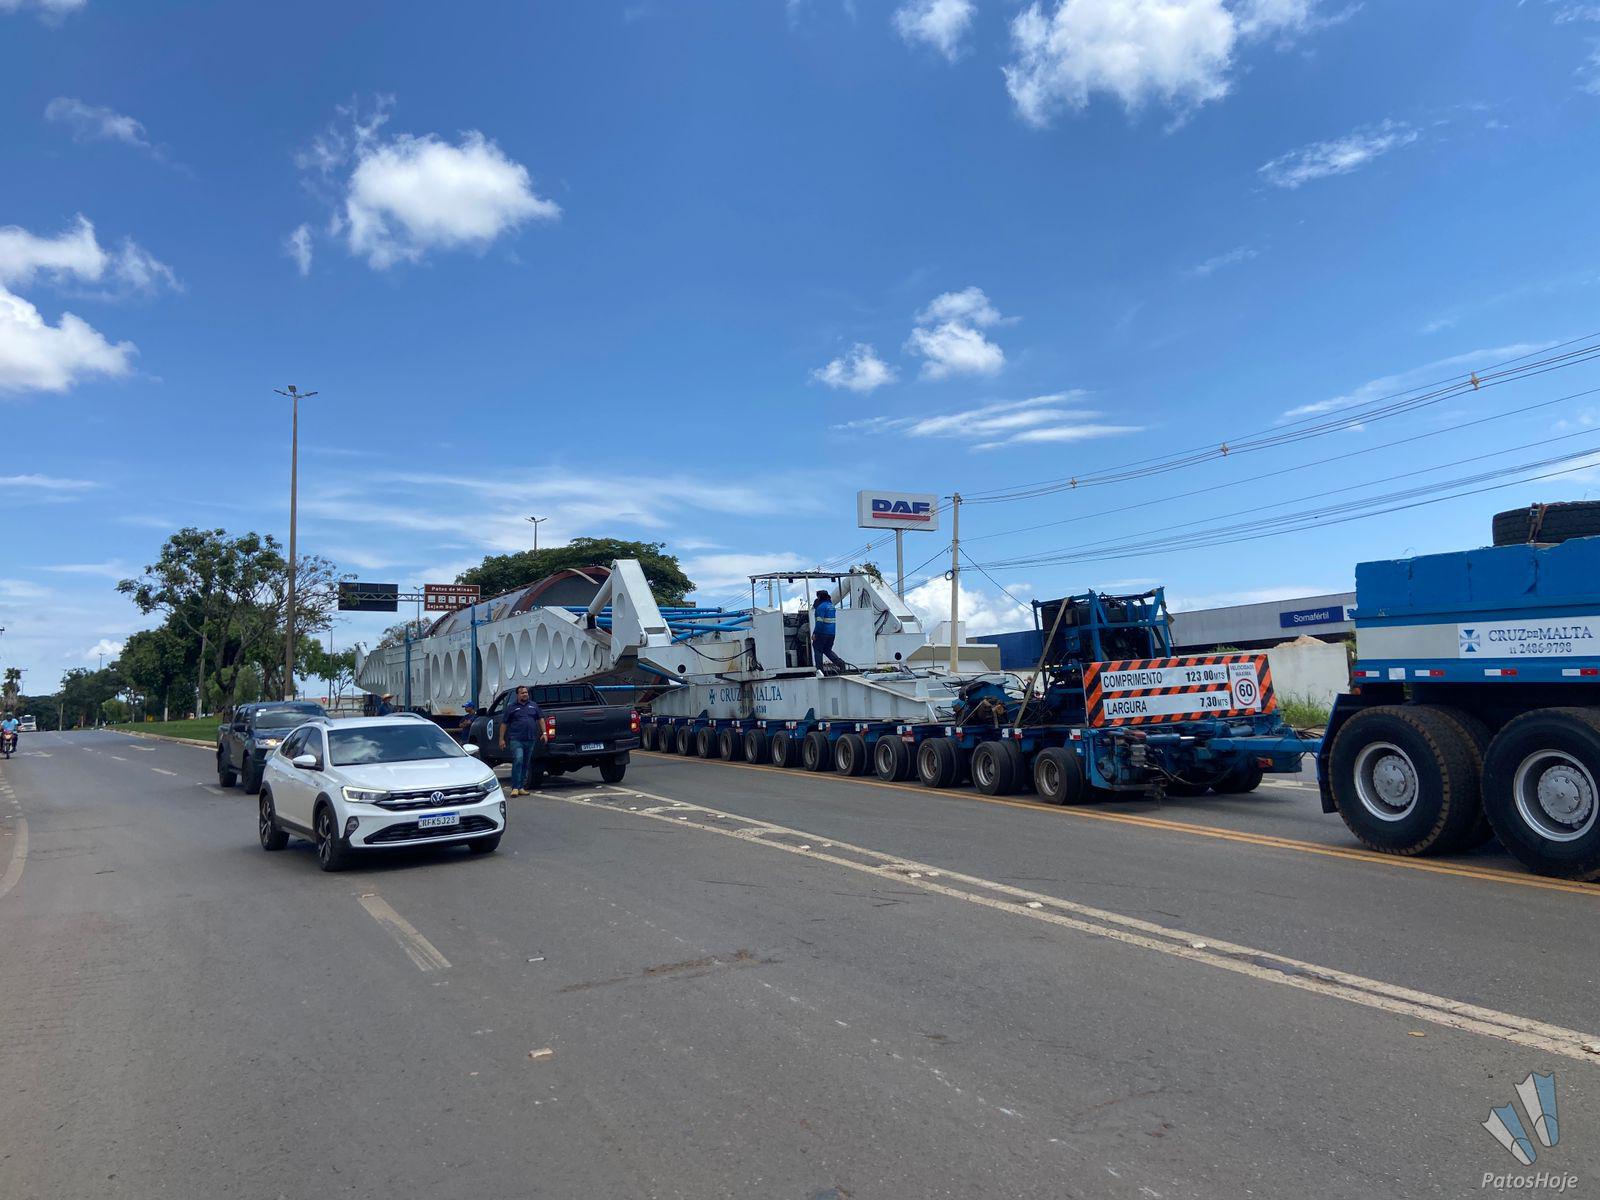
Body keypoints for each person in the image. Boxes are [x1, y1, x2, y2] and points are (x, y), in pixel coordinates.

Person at [498, 686, 544, 796]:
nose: (525, 694)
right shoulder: (511, 707)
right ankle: (515, 787)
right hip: (516, 739)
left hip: (530, 739)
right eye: (522, 693)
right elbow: (504, 724)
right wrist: (501, 739)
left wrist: (545, 733)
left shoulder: (533, 705)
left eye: (526, 692)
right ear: (518, 695)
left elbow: (541, 719)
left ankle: (521, 787)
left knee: (525, 763)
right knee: (518, 759)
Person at [811, 590, 849, 674]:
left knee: (817, 649)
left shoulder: (820, 607)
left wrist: (815, 633)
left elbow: (819, 623)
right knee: (827, 650)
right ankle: (840, 663)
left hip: (822, 633)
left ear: (820, 597)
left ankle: (820, 671)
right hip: (831, 633)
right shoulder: (831, 606)